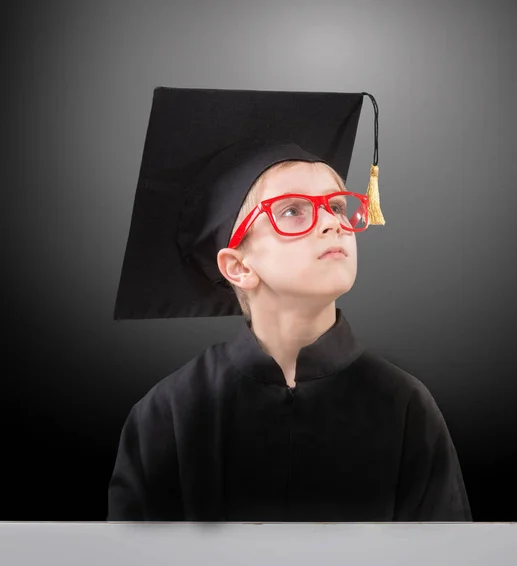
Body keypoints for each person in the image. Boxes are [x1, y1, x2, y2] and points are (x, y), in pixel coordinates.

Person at [107, 87, 472, 522]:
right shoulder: (170, 413)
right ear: (238, 267)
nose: (333, 224)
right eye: (294, 211)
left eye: (337, 206)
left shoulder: (404, 406)